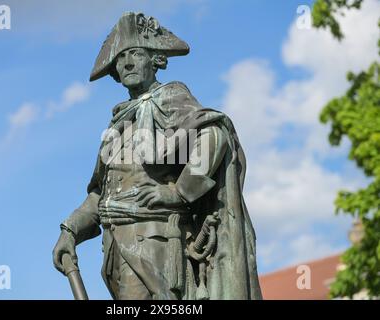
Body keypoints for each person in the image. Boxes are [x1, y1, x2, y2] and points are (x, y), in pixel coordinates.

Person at [53, 12, 262, 300]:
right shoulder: (117, 123)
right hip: (116, 252)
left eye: (135, 53)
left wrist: (180, 192)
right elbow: (101, 194)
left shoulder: (171, 97)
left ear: (156, 60)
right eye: (120, 58)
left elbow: (214, 136)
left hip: (157, 245)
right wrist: (71, 230)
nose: (126, 63)